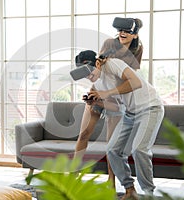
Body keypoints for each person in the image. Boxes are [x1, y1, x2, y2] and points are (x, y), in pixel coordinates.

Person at [75, 50, 164, 200]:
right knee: (112, 150)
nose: (90, 78)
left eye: (90, 73)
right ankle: (130, 190)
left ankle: (149, 194)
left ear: (97, 63)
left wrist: (107, 93)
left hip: (150, 108)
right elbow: (116, 107)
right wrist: (96, 102)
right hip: (130, 113)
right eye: (86, 76)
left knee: (139, 149)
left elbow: (135, 82)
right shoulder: (97, 81)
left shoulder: (112, 64)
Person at [74, 17, 144, 188]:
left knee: (111, 144)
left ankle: (111, 183)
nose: (122, 33)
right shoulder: (109, 43)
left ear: (135, 35)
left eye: (127, 31)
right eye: (120, 30)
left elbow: (131, 76)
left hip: (116, 98)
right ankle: (73, 176)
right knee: (84, 134)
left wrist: (112, 94)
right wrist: (95, 94)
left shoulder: (138, 49)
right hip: (98, 91)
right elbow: (96, 67)